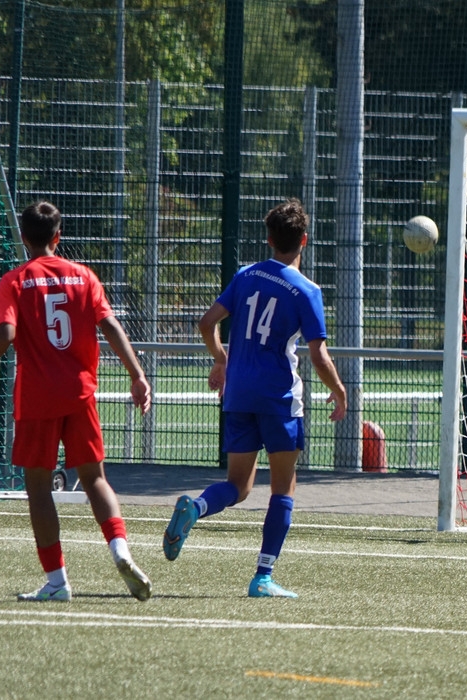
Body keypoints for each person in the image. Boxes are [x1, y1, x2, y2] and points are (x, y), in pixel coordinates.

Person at [163, 198, 347, 598]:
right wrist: (339, 390)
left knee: (238, 485)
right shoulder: (307, 291)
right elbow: (318, 355)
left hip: (239, 394)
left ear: (269, 239)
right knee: (283, 488)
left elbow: (207, 322)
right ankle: (263, 577)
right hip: (278, 398)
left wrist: (221, 359)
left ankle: (197, 507)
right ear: (304, 240)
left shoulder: (246, 276)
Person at [0, 201, 153, 602]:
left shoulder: (15, 280)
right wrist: (137, 374)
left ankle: (57, 581)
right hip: (80, 393)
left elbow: (6, 334)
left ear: (23, 237)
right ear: (58, 237)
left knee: (39, 487)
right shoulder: (84, 276)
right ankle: (120, 550)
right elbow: (109, 324)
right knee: (95, 478)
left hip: (37, 397)